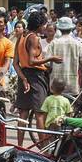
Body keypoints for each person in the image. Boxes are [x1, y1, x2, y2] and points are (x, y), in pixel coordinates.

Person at [14, 10, 58, 145]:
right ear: (39, 25)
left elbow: (15, 63)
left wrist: (23, 78)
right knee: (40, 114)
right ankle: (44, 148)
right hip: (36, 77)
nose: (45, 27)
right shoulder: (34, 38)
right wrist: (51, 58)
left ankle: (19, 146)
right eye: (44, 24)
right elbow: (33, 61)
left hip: (24, 76)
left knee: (23, 113)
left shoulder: (21, 36)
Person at [49, 16, 82, 99]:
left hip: (55, 85)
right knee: (70, 109)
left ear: (59, 29)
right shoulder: (77, 44)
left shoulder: (53, 43)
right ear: (71, 29)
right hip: (72, 85)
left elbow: (47, 64)